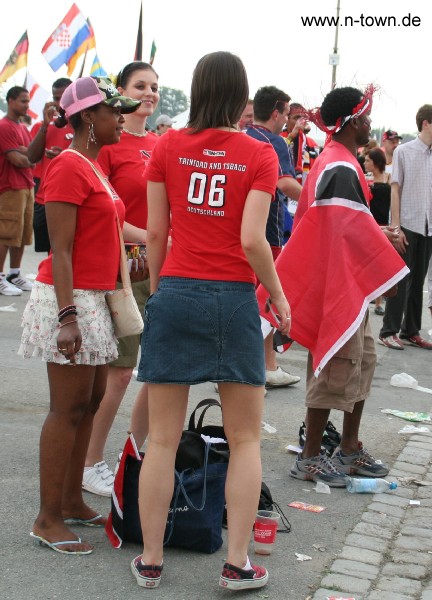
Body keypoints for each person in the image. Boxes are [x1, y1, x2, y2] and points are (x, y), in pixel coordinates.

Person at [132, 51, 290, 590]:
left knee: (162, 438)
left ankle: (151, 560)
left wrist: (160, 293)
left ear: (197, 90)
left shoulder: (167, 146)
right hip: (233, 298)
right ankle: (237, 562)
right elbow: (252, 240)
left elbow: (155, 234)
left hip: (176, 289)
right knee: (245, 439)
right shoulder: (259, 155)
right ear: (241, 93)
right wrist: (279, 295)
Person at [19, 76, 141, 555]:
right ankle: (47, 518)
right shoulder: (69, 166)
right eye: (115, 112)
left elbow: (99, 235)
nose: (121, 119)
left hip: (93, 297)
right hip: (69, 299)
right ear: (90, 116)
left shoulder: (92, 165)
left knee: (88, 403)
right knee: (66, 409)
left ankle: (70, 500)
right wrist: (68, 316)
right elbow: (62, 250)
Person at [264, 85, 407, 487]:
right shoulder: (339, 164)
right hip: (337, 282)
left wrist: (380, 232)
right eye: (366, 116)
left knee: (360, 362)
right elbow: (341, 228)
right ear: (351, 121)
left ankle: (348, 447)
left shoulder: (339, 160)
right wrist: (385, 252)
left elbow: (347, 222)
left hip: (344, 281)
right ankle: (310, 457)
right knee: (335, 367)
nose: (371, 123)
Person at [83, 61, 160, 496]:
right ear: (122, 92)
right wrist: (150, 239)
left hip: (161, 268)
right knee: (118, 372)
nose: (149, 93)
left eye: (154, 86)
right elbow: (109, 214)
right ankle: (91, 461)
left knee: (159, 371)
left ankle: (136, 457)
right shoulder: (108, 147)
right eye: (140, 86)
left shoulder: (161, 144)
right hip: (124, 269)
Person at [247, 86, 302, 388]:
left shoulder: (244, 135)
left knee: (260, 300)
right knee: (265, 299)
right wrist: (319, 200)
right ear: (276, 112)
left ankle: (268, 365)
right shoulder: (274, 141)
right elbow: (285, 184)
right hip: (268, 231)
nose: (288, 120)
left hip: (242, 228)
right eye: (286, 113)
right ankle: (250, 367)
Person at [378, 106, 432, 350]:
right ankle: (388, 330)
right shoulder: (404, 151)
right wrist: (396, 227)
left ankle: (411, 330)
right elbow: (395, 189)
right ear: (426, 124)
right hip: (407, 223)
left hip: (428, 226)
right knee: (401, 278)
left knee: (418, 280)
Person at [28, 78, 73, 254]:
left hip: (72, 197)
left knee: (64, 251)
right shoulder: (46, 125)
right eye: (56, 98)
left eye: (65, 97)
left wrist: (63, 156)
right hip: (46, 197)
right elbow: (31, 156)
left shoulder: (85, 124)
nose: (60, 103)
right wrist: (45, 126)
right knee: (49, 254)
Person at [0, 86, 35, 296]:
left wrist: (29, 155)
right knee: (6, 233)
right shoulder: (4, 127)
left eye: (28, 101)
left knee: (22, 235)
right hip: (10, 186)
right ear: (11, 101)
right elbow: (18, 160)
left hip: (26, 185)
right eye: (23, 101)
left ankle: (14, 274)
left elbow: (31, 154)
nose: (27, 105)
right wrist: (29, 155)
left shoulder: (22, 127)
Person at [364, 147, 391, 315]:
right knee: (368, 265)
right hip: (370, 225)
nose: (365, 163)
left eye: (368, 160)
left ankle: (379, 301)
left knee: (381, 265)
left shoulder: (389, 178)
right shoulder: (366, 179)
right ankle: (367, 299)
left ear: (376, 162)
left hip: (385, 225)